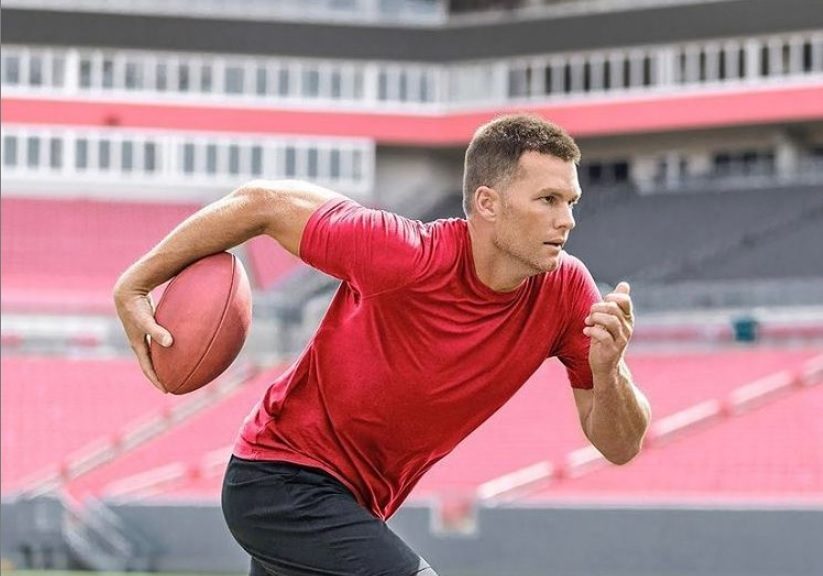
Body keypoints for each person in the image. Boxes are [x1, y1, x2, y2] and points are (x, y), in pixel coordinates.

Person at [114, 114, 651, 576]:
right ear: (488, 203)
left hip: (354, 507)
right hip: (279, 479)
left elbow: (621, 446)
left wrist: (610, 373)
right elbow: (263, 202)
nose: (568, 219)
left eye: (571, 200)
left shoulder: (566, 291)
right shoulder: (402, 255)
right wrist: (135, 284)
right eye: (549, 199)